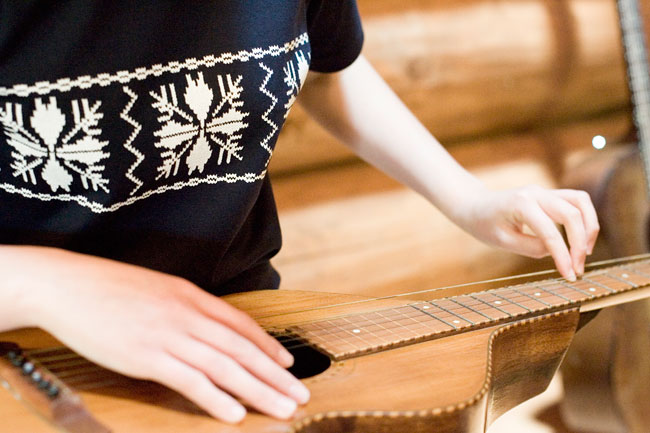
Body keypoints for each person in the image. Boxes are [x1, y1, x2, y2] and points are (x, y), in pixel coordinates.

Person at [0, 0, 598, 425]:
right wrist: (42, 286)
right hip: (26, 354)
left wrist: (469, 199)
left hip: (239, 326)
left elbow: (324, 63)